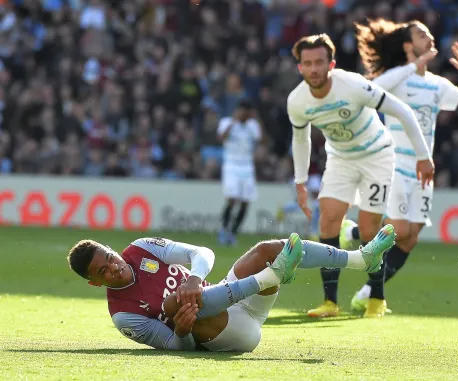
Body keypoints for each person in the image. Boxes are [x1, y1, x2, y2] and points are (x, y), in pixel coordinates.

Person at [286, 34, 434, 318]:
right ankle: (330, 303)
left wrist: (423, 156)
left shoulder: (352, 85)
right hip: (341, 158)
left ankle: (377, 298)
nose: (314, 68)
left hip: (376, 156)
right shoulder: (297, 101)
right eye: (308, 63)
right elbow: (301, 140)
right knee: (327, 220)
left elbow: (401, 109)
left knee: (369, 231)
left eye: (319, 62)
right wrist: (301, 181)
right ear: (300, 68)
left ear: (331, 64)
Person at [65, 225, 397, 351]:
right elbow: (175, 346)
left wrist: (195, 276)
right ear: (96, 282)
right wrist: (181, 331)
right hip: (227, 333)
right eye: (103, 271)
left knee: (267, 249)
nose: (114, 266)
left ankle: (360, 258)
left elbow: (202, 253)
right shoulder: (123, 315)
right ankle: (274, 276)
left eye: (109, 256)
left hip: (236, 296)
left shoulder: (140, 249)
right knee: (173, 307)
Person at [342, 19, 458, 316]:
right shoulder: (397, 79)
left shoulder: (435, 84)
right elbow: (372, 90)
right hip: (393, 163)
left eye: (429, 33)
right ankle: (354, 234)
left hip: (422, 170)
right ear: (408, 46)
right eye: (422, 34)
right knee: (399, 229)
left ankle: (366, 292)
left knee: (411, 237)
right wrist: (413, 64)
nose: (429, 37)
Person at [217, 100, 262, 246]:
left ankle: (233, 233)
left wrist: (257, 120)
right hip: (231, 165)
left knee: (245, 202)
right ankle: (224, 231)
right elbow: (221, 138)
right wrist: (234, 122)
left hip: (247, 167)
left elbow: (262, 140)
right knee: (231, 199)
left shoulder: (253, 125)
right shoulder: (226, 122)